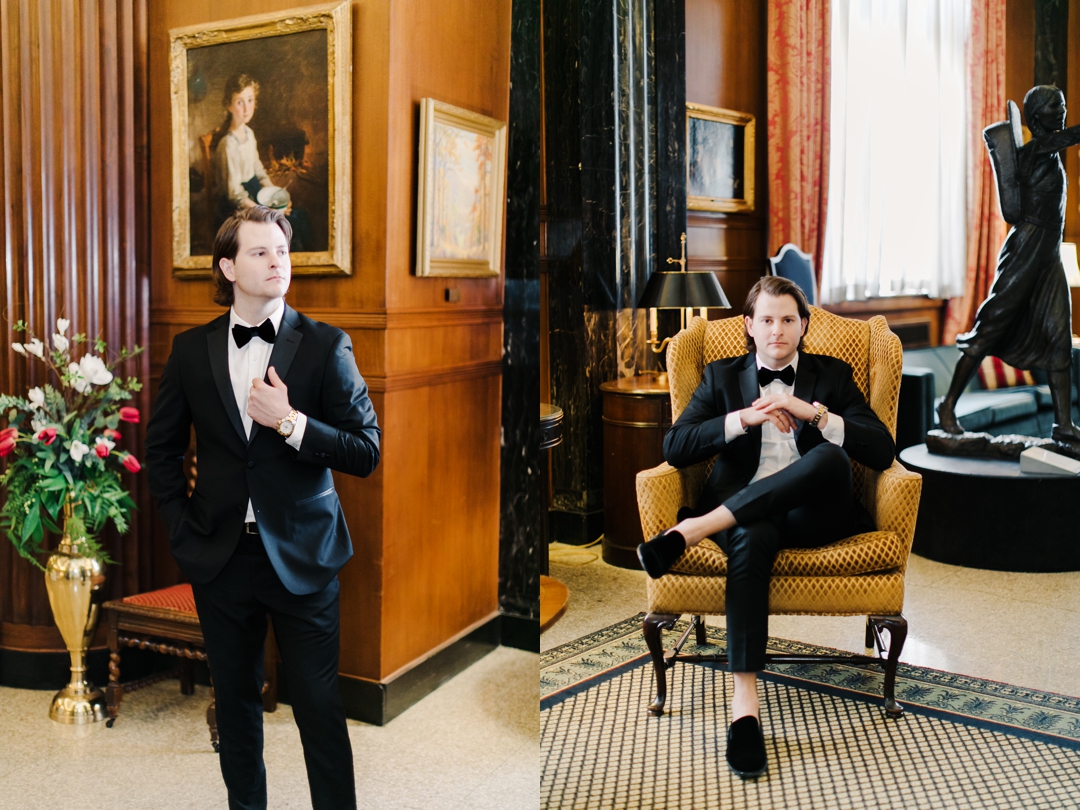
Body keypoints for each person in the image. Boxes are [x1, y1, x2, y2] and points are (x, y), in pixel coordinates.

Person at [145, 206, 380, 810]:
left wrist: (293, 423)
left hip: (303, 555)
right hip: (220, 558)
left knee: (320, 710)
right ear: (227, 267)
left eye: (283, 250)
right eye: (260, 252)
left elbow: (365, 450)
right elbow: (162, 449)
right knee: (237, 705)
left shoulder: (328, 345)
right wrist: (182, 528)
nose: (278, 261)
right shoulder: (192, 351)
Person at [636, 275, 894, 779]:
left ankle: (691, 531)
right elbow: (675, 446)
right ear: (749, 327)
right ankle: (745, 708)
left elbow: (881, 448)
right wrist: (741, 420)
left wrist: (813, 414)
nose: (778, 330)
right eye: (767, 320)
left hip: (816, 516)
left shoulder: (834, 375)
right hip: (749, 518)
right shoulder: (720, 377)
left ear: (804, 326)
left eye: (788, 320)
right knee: (751, 535)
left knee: (833, 462)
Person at [937, 85, 1080, 444]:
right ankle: (948, 407)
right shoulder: (1032, 152)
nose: (1060, 111)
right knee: (990, 326)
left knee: (1060, 335)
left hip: (1049, 255)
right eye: (1052, 106)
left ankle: (1063, 424)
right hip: (1024, 250)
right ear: (1035, 118)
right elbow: (1062, 139)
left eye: (1062, 105)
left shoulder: (1051, 153)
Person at [210, 73, 314, 251]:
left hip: (254, 193)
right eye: (239, 102)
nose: (246, 108)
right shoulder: (227, 145)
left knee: (300, 217)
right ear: (228, 105)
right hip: (236, 207)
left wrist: (276, 196)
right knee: (285, 227)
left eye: (250, 100)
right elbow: (235, 194)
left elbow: (258, 169)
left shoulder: (249, 134)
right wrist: (268, 213)